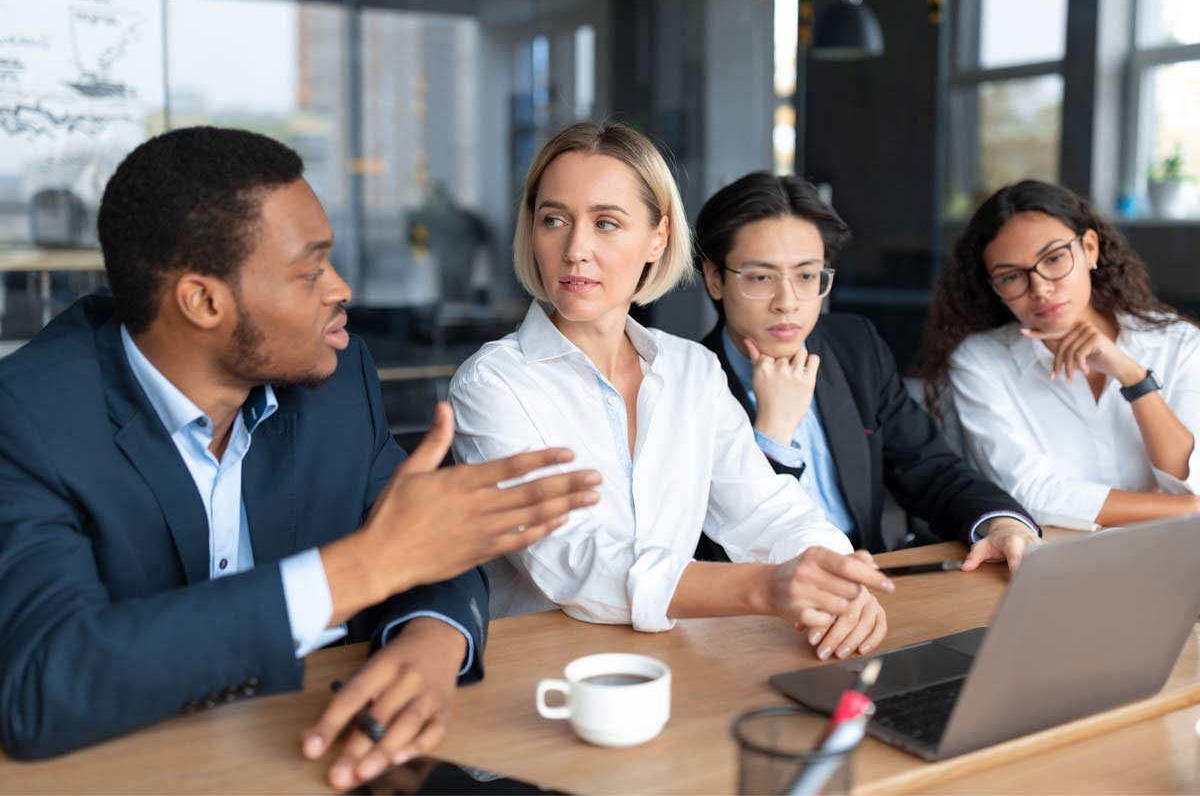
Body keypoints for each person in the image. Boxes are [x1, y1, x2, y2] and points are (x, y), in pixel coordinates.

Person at [0, 127, 600, 790]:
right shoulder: (29, 417)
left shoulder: (335, 380)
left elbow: (418, 533)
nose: (340, 289)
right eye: (310, 271)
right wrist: (364, 566)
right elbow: (41, 686)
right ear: (203, 301)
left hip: (321, 757)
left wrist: (430, 643)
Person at [448, 122, 895, 663]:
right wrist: (761, 588)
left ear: (657, 238)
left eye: (607, 223)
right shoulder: (492, 383)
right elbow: (573, 559)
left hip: (672, 661)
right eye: (554, 220)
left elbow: (766, 509)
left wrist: (838, 576)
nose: (575, 250)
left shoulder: (692, 371)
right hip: (541, 674)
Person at [692, 173, 1039, 594]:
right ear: (715, 278)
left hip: (872, 589)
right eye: (761, 278)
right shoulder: (685, 385)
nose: (788, 301)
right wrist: (773, 437)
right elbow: (707, 553)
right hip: (755, 610)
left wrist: (1000, 523)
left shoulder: (854, 348)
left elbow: (930, 469)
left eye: (806, 276)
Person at [919, 179, 1200, 529]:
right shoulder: (981, 361)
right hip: (1057, 559)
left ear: (1090, 249)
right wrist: (1186, 510)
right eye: (1011, 277)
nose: (1040, 288)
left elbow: (1191, 481)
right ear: (994, 288)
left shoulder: (1177, 342)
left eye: (1053, 258)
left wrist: (1134, 378)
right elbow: (1032, 494)